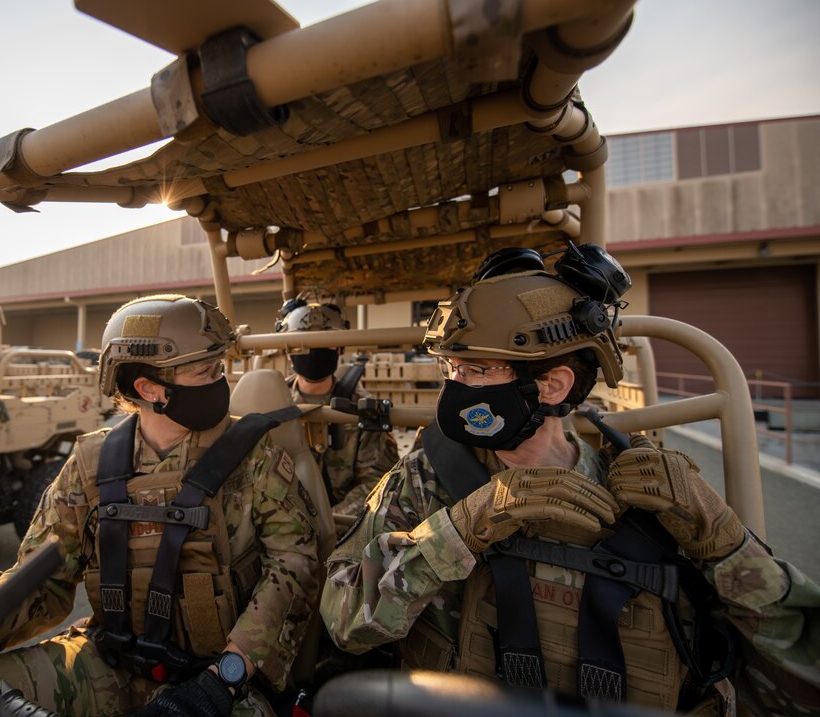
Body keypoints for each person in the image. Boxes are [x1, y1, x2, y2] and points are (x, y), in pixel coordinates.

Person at [320, 246, 820, 716]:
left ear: (553, 384)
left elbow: (800, 674)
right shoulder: (427, 480)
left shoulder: (654, 492)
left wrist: (723, 542)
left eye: (476, 369)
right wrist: (461, 528)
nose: (454, 386)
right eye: (450, 367)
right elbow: (344, 623)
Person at [0, 294, 319, 717]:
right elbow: (42, 575)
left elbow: (295, 565)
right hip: (109, 660)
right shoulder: (91, 464)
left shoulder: (255, 455)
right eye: (204, 371)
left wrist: (223, 678)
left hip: (223, 682)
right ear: (149, 388)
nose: (220, 380)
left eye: (219, 368)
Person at [276, 299, 399, 518]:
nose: (314, 352)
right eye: (303, 344)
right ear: (287, 351)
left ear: (340, 347)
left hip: (343, 525)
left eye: (325, 342)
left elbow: (376, 483)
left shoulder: (362, 408)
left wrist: (329, 522)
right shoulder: (273, 401)